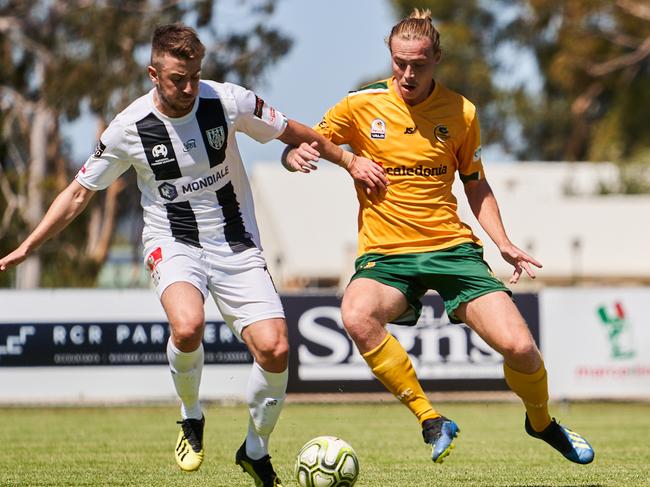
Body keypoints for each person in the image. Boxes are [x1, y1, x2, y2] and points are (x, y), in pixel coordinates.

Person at [0, 23, 387, 487]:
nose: (188, 88)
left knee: (276, 348)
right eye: (176, 79)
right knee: (187, 325)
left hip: (237, 243)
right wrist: (28, 245)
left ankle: (255, 449)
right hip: (174, 242)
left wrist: (347, 162)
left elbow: (294, 132)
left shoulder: (227, 101)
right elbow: (79, 194)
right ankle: (190, 416)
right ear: (152, 74)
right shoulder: (127, 128)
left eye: (194, 76)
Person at [283, 9, 594, 466]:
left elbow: (475, 181)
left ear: (437, 58)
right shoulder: (359, 105)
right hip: (386, 254)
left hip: (452, 249)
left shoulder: (461, 112)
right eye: (399, 63)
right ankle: (431, 419)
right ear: (390, 57)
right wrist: (304, 159)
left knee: (521, 348)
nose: (408, 74)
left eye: (419, 64)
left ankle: (542, 422)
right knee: (356, 314)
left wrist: (503, 242)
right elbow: (305, 141)